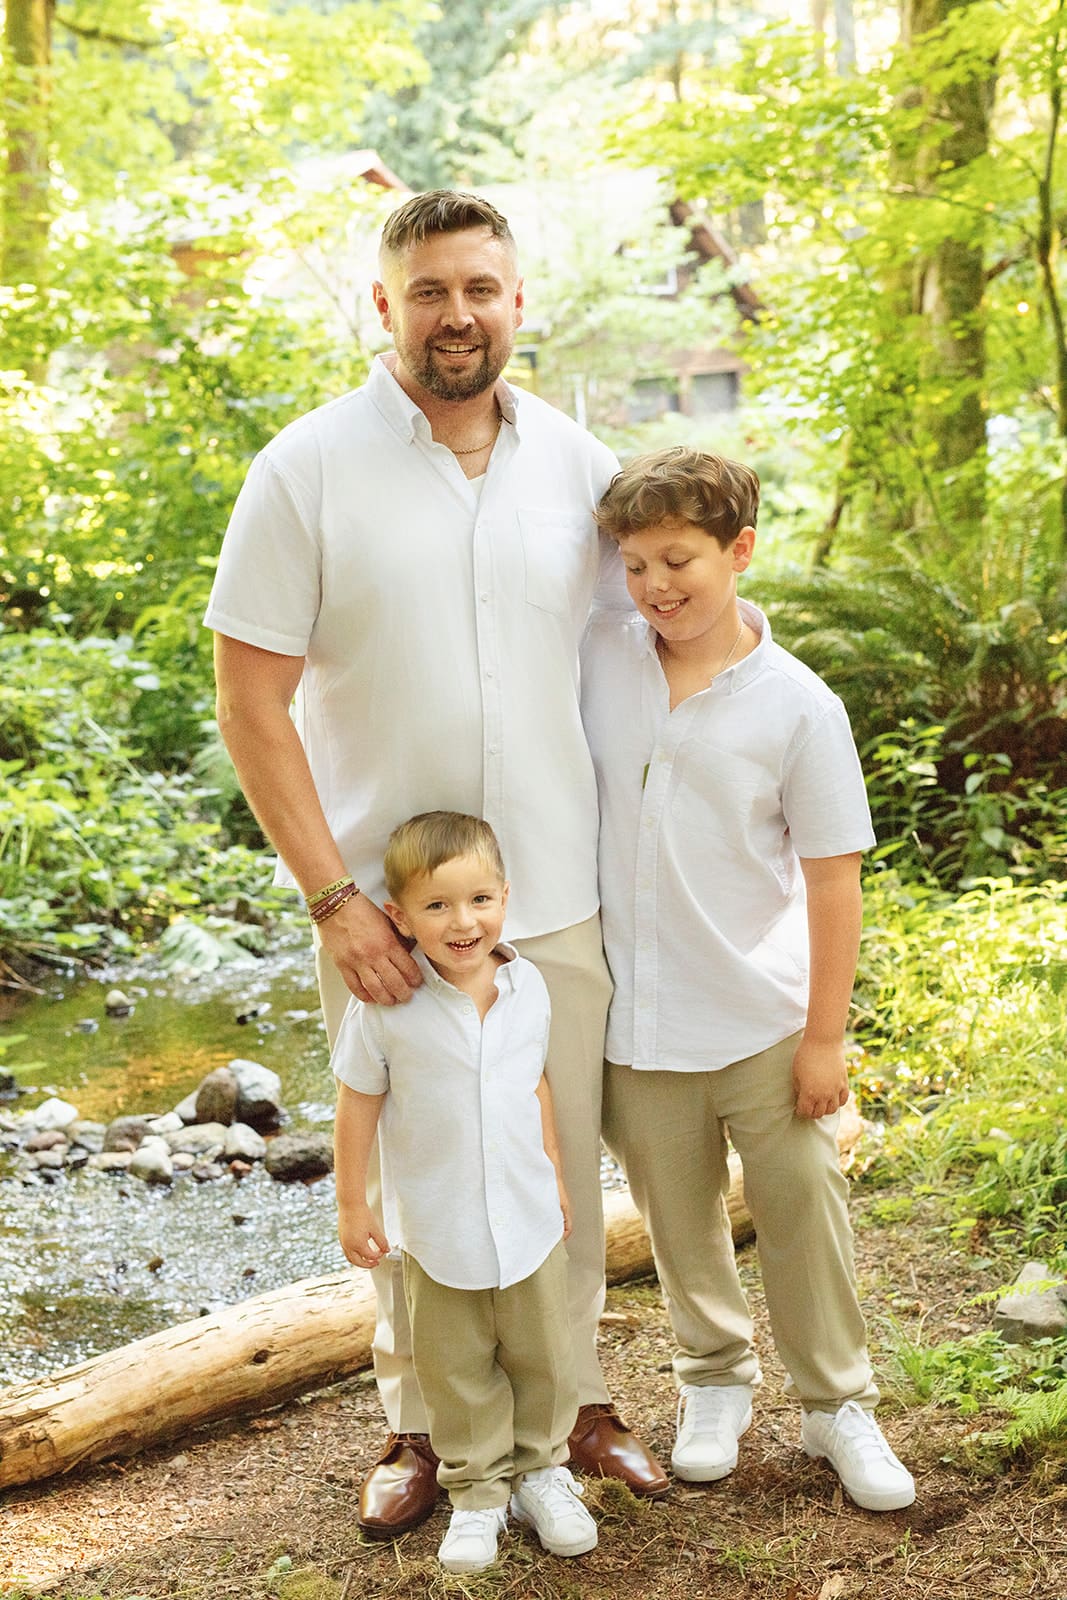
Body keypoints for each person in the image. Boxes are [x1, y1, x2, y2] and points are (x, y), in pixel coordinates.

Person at [206, 188, 667, 1537]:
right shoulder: (304, 467)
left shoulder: (581, 468)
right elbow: (249, 703)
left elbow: (646, 650)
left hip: (555, 896)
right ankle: (420, 1422)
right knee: (416, 1171)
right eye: (427, 291)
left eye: (479, 288)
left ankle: (569, 1402)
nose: (454, 314)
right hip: (380, 913)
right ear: (382, 305)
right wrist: (333, 898)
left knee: (554, 1165)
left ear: (519, 303)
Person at [580, 446, 916, 1512]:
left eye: (674, 559)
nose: (652, 587)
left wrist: (824, 1037)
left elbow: (831, 879)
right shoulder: (601, 662)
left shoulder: (798, 707)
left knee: (800, 1208)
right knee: (677, 1223)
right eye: (632, 565)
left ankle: (834, 1405)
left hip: (762, 1015)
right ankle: (713, 1383)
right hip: (637, 1016)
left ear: (738, 551)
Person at [332, 811, 600, 1574]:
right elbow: (357, 1105)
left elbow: (535, 1086)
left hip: (527, 1217)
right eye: (438, 906)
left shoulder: (528, 987)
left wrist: (551, 1171)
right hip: (437, 1226)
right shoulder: (386, 1007)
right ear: (399, 916)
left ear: (505, 898)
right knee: (454, 1364)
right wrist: (356, 1205)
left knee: (544, 1350)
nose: (462, 922)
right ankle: (479, 1490)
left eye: (479, 900)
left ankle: (542, 1471)